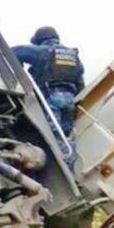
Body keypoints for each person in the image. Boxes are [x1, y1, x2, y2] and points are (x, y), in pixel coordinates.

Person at [13, 26, 84, 159]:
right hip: (70, 100)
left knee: (52, 137)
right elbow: (80, 82)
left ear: (40, 40)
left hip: (52, 97)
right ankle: (71, 166)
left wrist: (20, 74)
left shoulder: (43, 51)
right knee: (65, 136)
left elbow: (14, 51)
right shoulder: (73, 55)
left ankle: (60, 170)